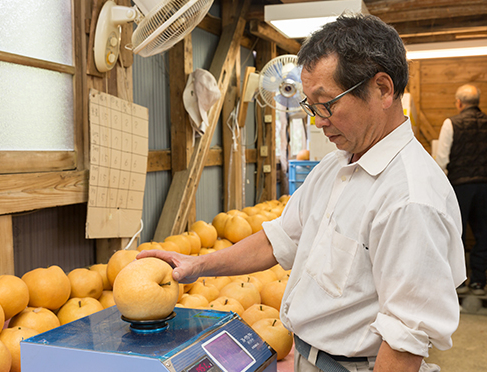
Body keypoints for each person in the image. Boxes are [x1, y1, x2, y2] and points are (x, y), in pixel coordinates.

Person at [139, 14, 466, 372]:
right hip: (308, 357)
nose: (317, 120)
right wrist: (198, 264)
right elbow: (278, 240)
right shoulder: (335, 167)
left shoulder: (410, 197)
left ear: (383, 89)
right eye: (310, 105)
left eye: (327, 104)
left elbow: (405, 340)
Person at [435, 84, 487, 296]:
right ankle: (479, 281)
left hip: (460, 186)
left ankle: (459, 282)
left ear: (459, 103)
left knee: (457, 233)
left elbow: (442, 159)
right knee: (484, 232)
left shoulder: (451, 123)